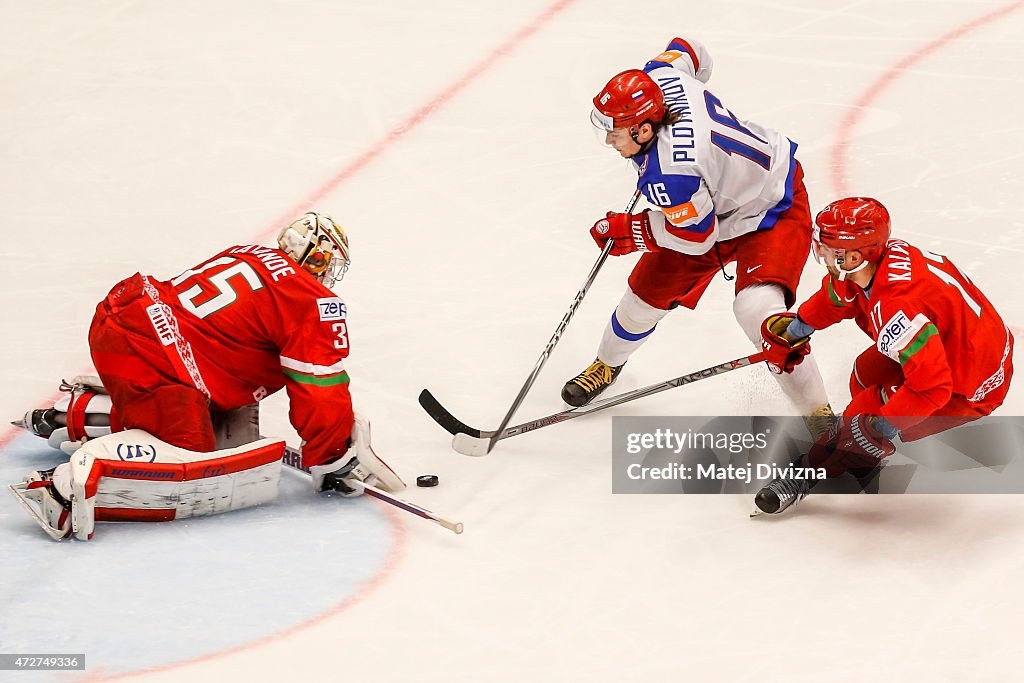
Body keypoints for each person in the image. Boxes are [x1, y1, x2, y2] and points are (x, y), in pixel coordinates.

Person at [13, 212, 403, 540]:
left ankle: (76, 414)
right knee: (198, 455)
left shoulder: (246, 254)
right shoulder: (309, 299)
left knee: (216, 423)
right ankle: (66, 485)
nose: (328, 275)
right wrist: (331, 457)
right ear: (315, 257)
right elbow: (320, 384)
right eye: (327, 263)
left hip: (123, 323)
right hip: (155, 359)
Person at [564, 36, 833, 435]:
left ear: (642, 129)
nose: (608, 140)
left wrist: (633, 230)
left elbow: (695, 240)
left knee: (758, 313)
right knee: (644, 295)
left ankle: (819, 414)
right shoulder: (659, 75)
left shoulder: (672, 173)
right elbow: (690, 49)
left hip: (772, 205)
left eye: (615, 131)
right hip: (713, 203)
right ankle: (607, 363)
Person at [754, 197, 1014, 515]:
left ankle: (805, 475)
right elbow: (839, 294)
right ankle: (855, 453)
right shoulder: (877, 261)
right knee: (864, 375)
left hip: (970, 385)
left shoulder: (898, 304)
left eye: (832, 251)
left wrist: (882, 428)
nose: (822, 255)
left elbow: (932, 387)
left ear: (857, 256)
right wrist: (797, 328)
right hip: (959, 348)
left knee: (862, 422)